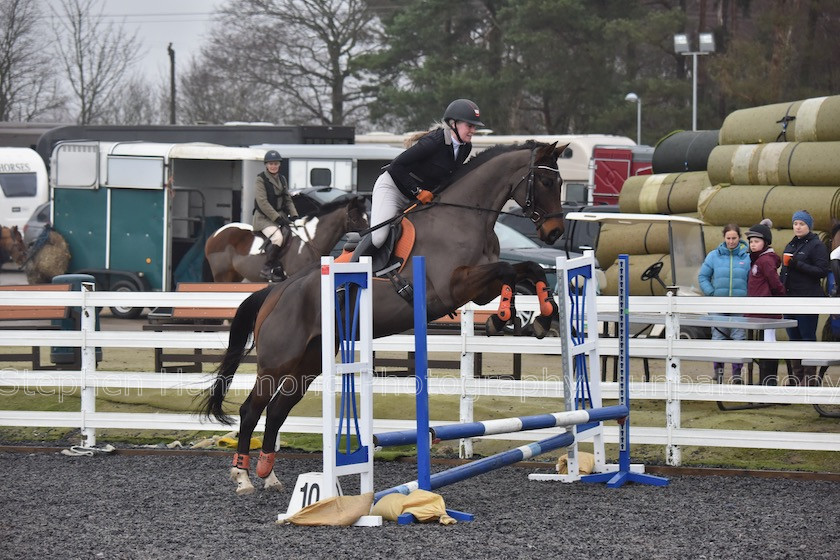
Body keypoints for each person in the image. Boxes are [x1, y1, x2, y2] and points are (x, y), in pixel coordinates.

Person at [368, 98, 484, 251]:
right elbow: (396, 165)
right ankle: (355, 260)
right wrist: (417, 191)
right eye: (469, 126)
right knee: (378, 238)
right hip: (394, 189)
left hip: (419, 198)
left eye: (474, 126)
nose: (473, 131)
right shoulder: (433, 142)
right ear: (453, 124)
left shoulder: (465, 148)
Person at [780, 210, 830, 386]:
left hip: (808, 299)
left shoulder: (817, 246)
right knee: (793, 338)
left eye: (802, 223)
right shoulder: (790, 245)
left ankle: (809, 379)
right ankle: (797, 377)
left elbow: (822, 271)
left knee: (807, 337)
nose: (798, 227)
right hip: (789, 299)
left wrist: (797, 264)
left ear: (808, 226)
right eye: (795, 223)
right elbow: (785, 272)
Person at [698, 224, 750, 383]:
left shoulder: (747, 257)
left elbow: (753, 278)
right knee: (718, 336)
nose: (731, 241)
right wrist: (711, 292)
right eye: (728, 238)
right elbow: (703, 277)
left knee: (738, 336)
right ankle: (718, 371)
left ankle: (736, 374)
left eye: (734, 238)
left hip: (739, 304)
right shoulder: (713, 256)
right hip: (718, 303)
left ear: (739, 238)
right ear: (724, 238)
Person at [745, 219, 785, 385]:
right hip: (757, 311)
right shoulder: (757, 260)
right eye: (751, 242)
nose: (753, 245)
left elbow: (775, 284)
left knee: (768, 346)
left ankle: (769, 382)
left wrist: (781, 299)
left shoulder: (765, 260)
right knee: (761, 347)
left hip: (766, 312)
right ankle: (763, 382)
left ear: (765, 243)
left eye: (757, 241)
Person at [253, 150, 299, 281]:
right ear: (266, 165)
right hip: (264, 218)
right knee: (278, 238)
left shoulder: (282, 179)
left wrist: (294, 214)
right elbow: (262, 202)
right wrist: (277, 218)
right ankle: (267, 268)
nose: (273, 166)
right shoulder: (260, 179)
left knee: (293, 235)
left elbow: (287, 199)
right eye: (271, 164)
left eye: (276, 164)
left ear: (279, 165)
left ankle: (281, 267)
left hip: (280, 216)